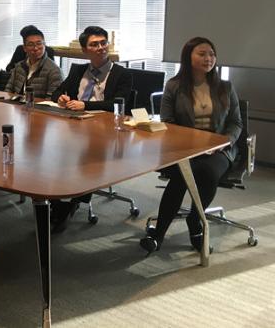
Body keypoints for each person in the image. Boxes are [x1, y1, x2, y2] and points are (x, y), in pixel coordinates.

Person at [139, 37, 242, 255]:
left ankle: (195, 220)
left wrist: (223, 142)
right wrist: (192, 143)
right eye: (202, 54)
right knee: (181, 175)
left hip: (219, 149)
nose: (208, 58)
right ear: (188, 57)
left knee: (206, 172)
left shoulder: (225, 87)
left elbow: (236, 123)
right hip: (185, 148)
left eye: (211, 54)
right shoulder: (174, 86)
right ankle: (158, 235)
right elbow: (168, 122)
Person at [49, 26, 133, 231]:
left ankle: (73, 201)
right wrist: (61, 98)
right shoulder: (78, 70)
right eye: (94, 44)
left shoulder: (121, 73)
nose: (101, 47)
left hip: (105, 131)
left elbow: (118, 103)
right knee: (51, 155)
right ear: (85, 50)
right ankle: (56, 200)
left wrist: (85, 105)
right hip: (74, 127)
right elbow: (57, 91)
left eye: (104, 43)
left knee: (85, 158)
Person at [4, 26, 62, 97]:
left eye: (39, 43)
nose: (35, 48)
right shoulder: (19, 66)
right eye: (31, 45)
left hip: (38, 104)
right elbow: (8, 90)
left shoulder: (54, 71)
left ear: (44, 45)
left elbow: (52, 99)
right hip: (16, 103)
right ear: (24, 48)